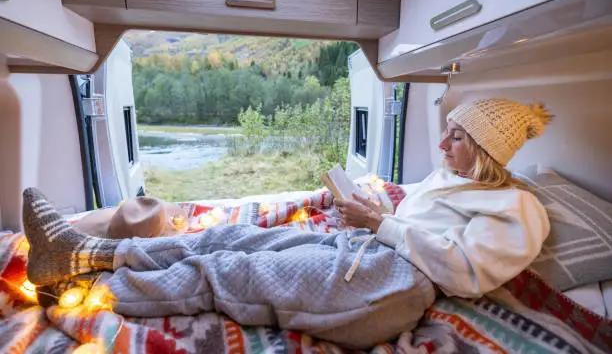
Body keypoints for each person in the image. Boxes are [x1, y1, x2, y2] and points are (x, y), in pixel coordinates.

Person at [21, 98, 552, 349]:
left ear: (485, 149)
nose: (442, 144)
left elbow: (461, 270)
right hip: (369, 249)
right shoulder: (447, 179)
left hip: (400, 284)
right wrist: (374, 215)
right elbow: (415, 223)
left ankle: (88, 287)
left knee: (230, 272)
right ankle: (81, 250)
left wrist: (383, 226)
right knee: (236, 236)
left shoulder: (519, 210)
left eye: (456, 137)